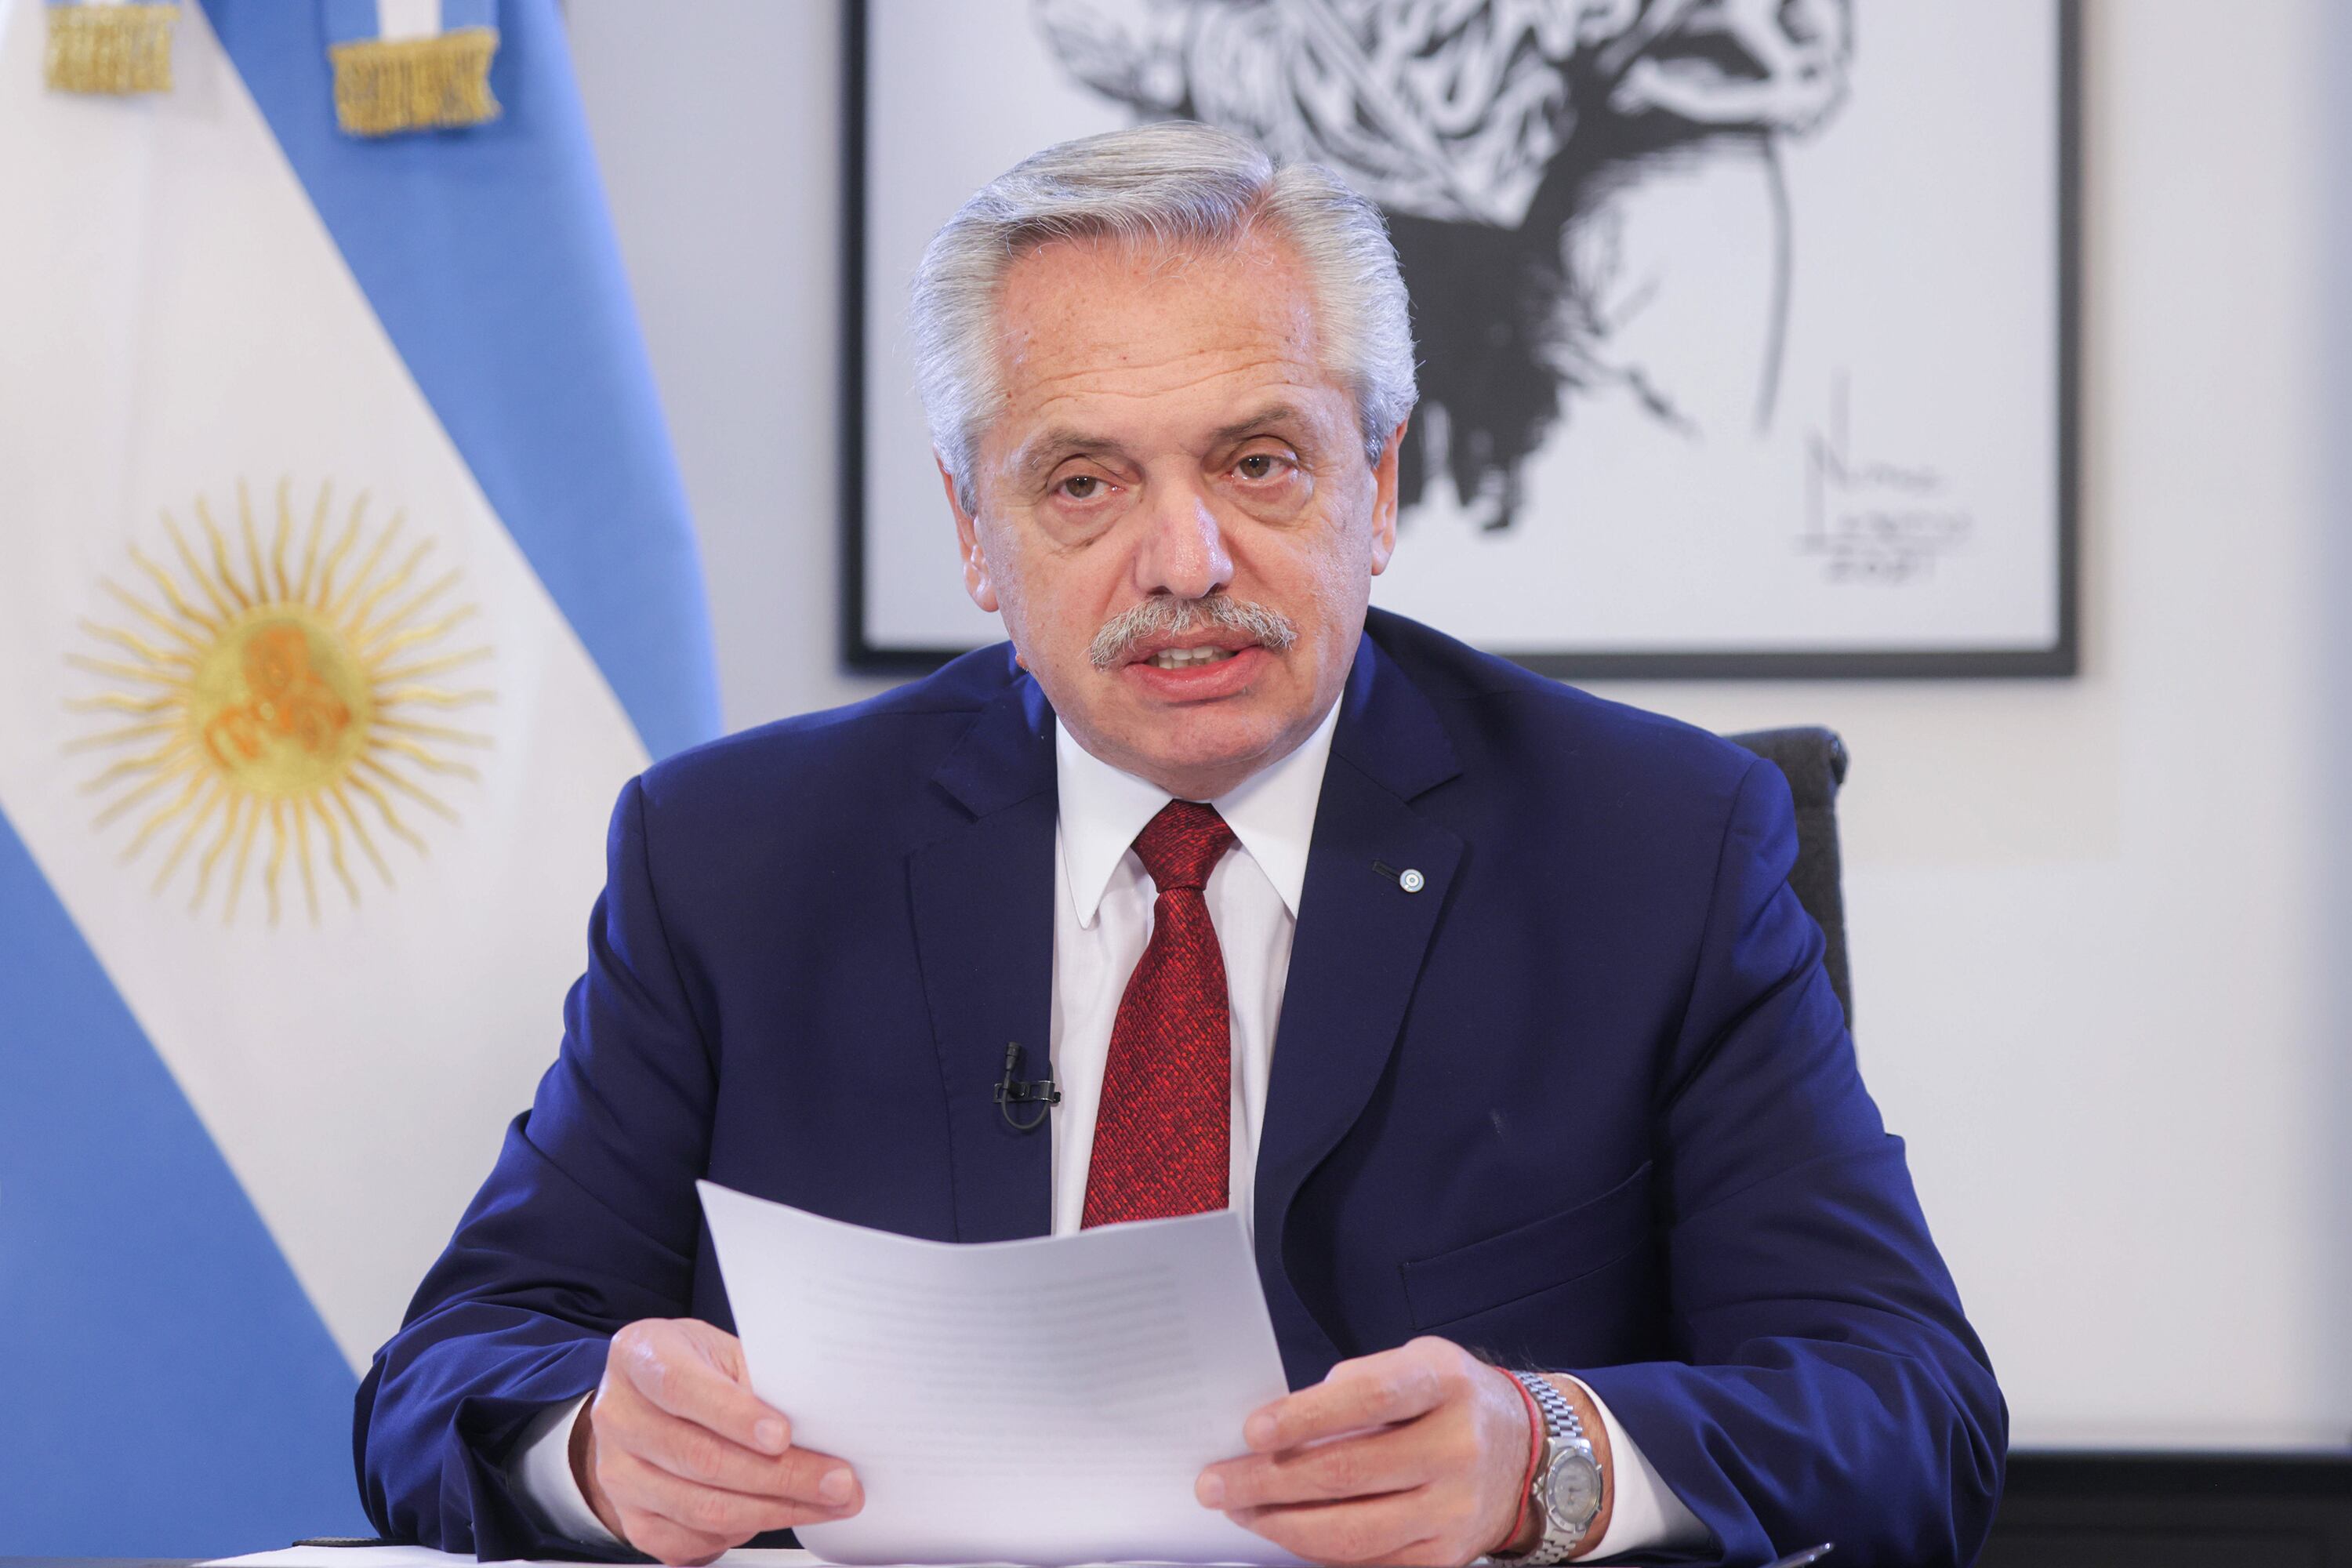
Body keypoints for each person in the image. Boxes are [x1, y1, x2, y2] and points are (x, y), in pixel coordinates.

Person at [356, 122, 2003, 1567]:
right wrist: (594, 1449)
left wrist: (1541, 1459)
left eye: (1259, 463)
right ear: (975, 533)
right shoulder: (734, 862)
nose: (1186, 559)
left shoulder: (1658, 850)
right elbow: (445, 1376)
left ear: (1380, 485)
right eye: (1083, 483)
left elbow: (1910, 1412)